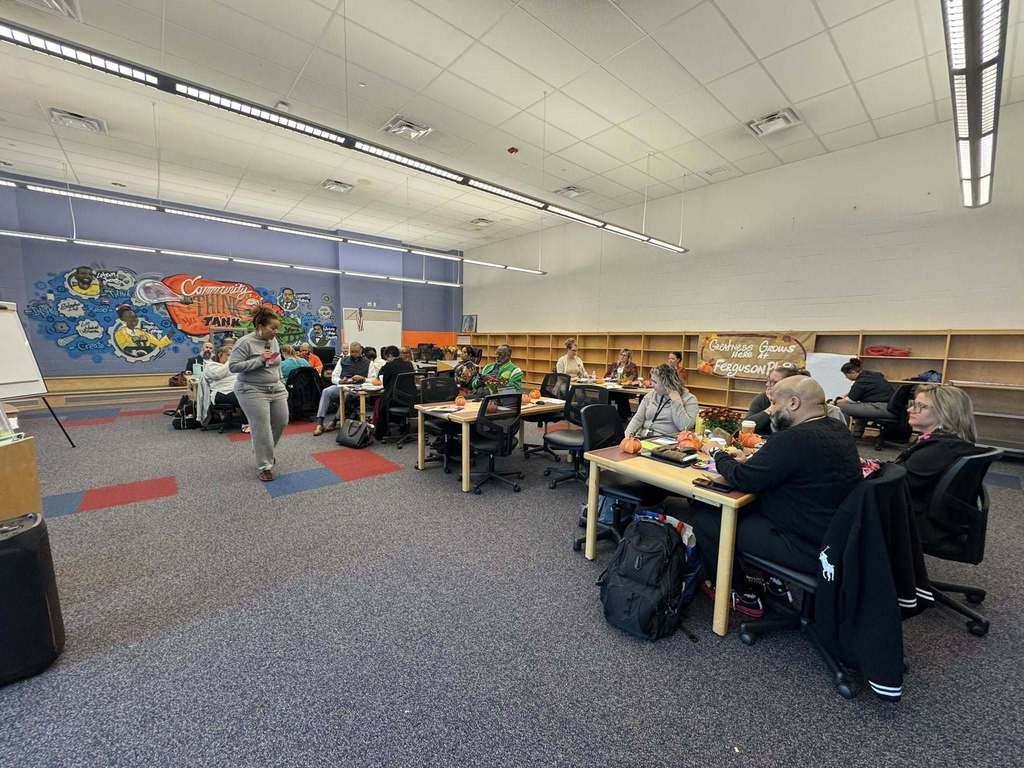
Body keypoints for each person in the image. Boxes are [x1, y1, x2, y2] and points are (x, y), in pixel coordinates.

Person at [686, 376, 862, 618]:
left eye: (775, 405)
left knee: (706, 515)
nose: (772, 412)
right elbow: (789, 467)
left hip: (802, 544)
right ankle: (771, 582)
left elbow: (741, 478)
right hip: (833, 537)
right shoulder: (837, 429)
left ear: (793, 403)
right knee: (742, 509)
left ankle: (741, 593)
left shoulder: (794, 438)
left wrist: (719, 453)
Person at [891, 384, 984, 550]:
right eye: (913, 404)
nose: (910, 410)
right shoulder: (950, 443)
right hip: (935, 518)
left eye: (921, 406)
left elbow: (895, 482)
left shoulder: (939, 448)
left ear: (945, 413)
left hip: (920, 523)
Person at [228, 307, 289, 481]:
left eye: (277, 328)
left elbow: (275, 362)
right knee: (261, 428)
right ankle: (265, 465)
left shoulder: (273, 340)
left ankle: (264, 450)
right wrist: (259, 360)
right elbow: (233, 367)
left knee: (282, 421)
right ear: (261, 326)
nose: (276, 332)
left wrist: (280, 381)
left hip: (275, 387)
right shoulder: (245, 342)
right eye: (273, 328)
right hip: (251, 389)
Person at [746, 364, 846, 436]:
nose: (768, 385)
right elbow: (745, 427)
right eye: (768, 381)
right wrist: (772, 407)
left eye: (774, 382)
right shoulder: (762, 399)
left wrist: (776, 405)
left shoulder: (825, 409)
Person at [625, 364, 698, 438]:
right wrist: (627, 436)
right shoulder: (651, 395)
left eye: (655, 382)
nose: (652, 384)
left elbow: (684, 427)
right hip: (643, 438)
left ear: (667, 384)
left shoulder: (689, 400)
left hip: (666, 443)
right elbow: (638, 418)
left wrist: (676, 401)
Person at [313, 342, 368, 435]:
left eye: (356, 352)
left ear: (361, 351)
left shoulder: (367, 362)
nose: (354, 354)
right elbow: (334, 377)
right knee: (326, 391)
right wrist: (340, 381)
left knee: (347, 394)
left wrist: (364, 379)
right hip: (343, 385)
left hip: (358, 388)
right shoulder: (342, 360)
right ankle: (320, 423)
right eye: (352, 352)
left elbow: (373, 378)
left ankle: (334, 421)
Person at [836, 357, 895, 437]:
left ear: (852, 372)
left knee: (841, 407)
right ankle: (856, 435)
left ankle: (843, 436)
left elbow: (850, 400)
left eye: (846, 375)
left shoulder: (861, 381)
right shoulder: (871, 375)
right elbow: (855, 393)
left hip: (882, 408)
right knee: (861, 405)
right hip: (890, 407)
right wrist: (844, 396)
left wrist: (835, 402)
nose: (846, 378)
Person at [202, 346, 249, 432]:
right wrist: (231, 361)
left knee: (254, 394)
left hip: (234, 390)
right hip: (220, 393)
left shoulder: (231, 366)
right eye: (228, 355)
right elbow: (218, 374)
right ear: (220, 355)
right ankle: (246, 424)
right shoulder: (210, 366)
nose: (230, 358)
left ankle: (259, 422)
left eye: (232, 356)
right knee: (244, 397)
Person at [604, 349, 639, 420]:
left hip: (624, 388)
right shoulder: (614, 365)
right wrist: (611, 378)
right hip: (612, 386)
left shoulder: (632, 366)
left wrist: (624, 380)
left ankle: (623, 415)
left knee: (619, 395)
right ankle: (608, 414)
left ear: (628, 357)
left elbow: (633, 377)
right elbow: (606, 376)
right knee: (606, 393)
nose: (622, 357)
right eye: (621, 355)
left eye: (624, 355)